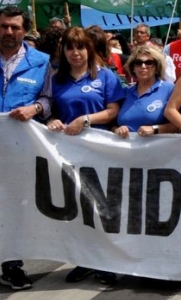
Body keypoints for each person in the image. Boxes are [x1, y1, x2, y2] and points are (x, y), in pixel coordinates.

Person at [45, 27, 125, 286]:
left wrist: (85, 120)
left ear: (89, 49)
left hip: (101, 152)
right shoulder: (56, 80)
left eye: (80, 47)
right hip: (68, 154)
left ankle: (106, 262)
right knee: (78, 208)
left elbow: (113, 111)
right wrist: (53, 121)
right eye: (70, 47)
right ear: (63, 51)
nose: (75, 53)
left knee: (103, 208)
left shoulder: (106, 77)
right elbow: (50, 111)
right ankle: (85, 260)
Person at [0, 6, 52, 291]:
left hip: (20, 150)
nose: (9, 32)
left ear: (25, 30)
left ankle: (12, 266)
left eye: (15, 27)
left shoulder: (41, 61)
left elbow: (49, 100)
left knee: (15, 208)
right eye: (4, 26)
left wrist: (35, 107)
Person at [112, 45, 177, 138]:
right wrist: (116, 129)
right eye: (138, 63)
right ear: (133, 68)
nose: (143, 66)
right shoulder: (125, 92)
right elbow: (112, 124)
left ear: (157, 67)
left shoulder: (170, 89)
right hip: (126, 150)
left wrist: (155, 129)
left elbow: (180, 125)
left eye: (149, 62)